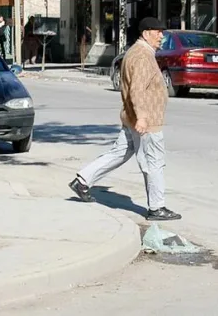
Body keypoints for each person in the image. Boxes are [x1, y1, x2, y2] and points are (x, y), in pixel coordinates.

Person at [68, 17, 181, 221]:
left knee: (119, 153)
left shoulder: (141, 52)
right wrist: (143, 117)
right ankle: (157, 207)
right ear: (146, 33)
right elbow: (137, 90)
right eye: (158, 32)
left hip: (133, 117)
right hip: (145, 120)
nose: (161, 36)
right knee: (154, 161)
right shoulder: (142, 56)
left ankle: (83, 180)